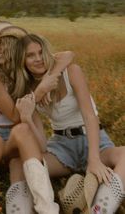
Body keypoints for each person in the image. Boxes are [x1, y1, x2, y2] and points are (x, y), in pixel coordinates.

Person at [0, 21, 74, 214]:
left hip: (7, 146)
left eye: (0, 43)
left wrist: (49, 75)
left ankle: (47, 208)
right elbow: (13, 114)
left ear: (12, 44)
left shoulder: (23, 73)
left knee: (23, 129)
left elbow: (67, 55)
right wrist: (41, 90)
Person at [7, 33, 125, 214]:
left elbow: (89, 116)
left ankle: (98, 210)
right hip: (62, 147)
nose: (38, 59)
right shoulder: (28, 90)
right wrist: (27, 118)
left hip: (93, 141)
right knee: (17, 163)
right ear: (22, 60)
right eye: (30, 55)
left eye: (40, 52)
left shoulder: (71, 71)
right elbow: (41, 144)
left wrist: (93, 159)